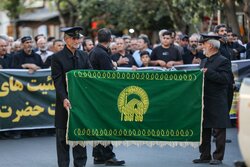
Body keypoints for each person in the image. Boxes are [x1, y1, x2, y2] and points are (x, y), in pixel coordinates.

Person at [51, 26, 92, 167]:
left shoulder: (84, 55)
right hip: (65, 103)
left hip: (81, 104)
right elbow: (57, 80)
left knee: (80, 137)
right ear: (66, 39)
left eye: (78, 37)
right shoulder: (57, 58)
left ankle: (80, 164)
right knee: (63, 137)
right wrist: (64, 98)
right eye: (73, 38)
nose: (76, 40)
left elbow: (90, 76)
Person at [193, 34, 232, 165]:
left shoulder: (223, 60)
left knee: (219, 130)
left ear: (210, 45)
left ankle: (218, 157)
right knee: (204, 129)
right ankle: (204, 155)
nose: (202, 46)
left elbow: (226, 79)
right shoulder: (203, 61)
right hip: (203, 100)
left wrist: (208, 72)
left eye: (203, 44)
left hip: (217, 99)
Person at [89, 28, 125, 166]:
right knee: (105, 125)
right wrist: (114, 66)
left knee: (98, 125)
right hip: (103, 95)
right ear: (110, 40)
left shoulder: (95, 51)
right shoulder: (102, 54)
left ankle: (98, 155)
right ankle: (108, 156)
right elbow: (109, 76)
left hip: (96, 94)